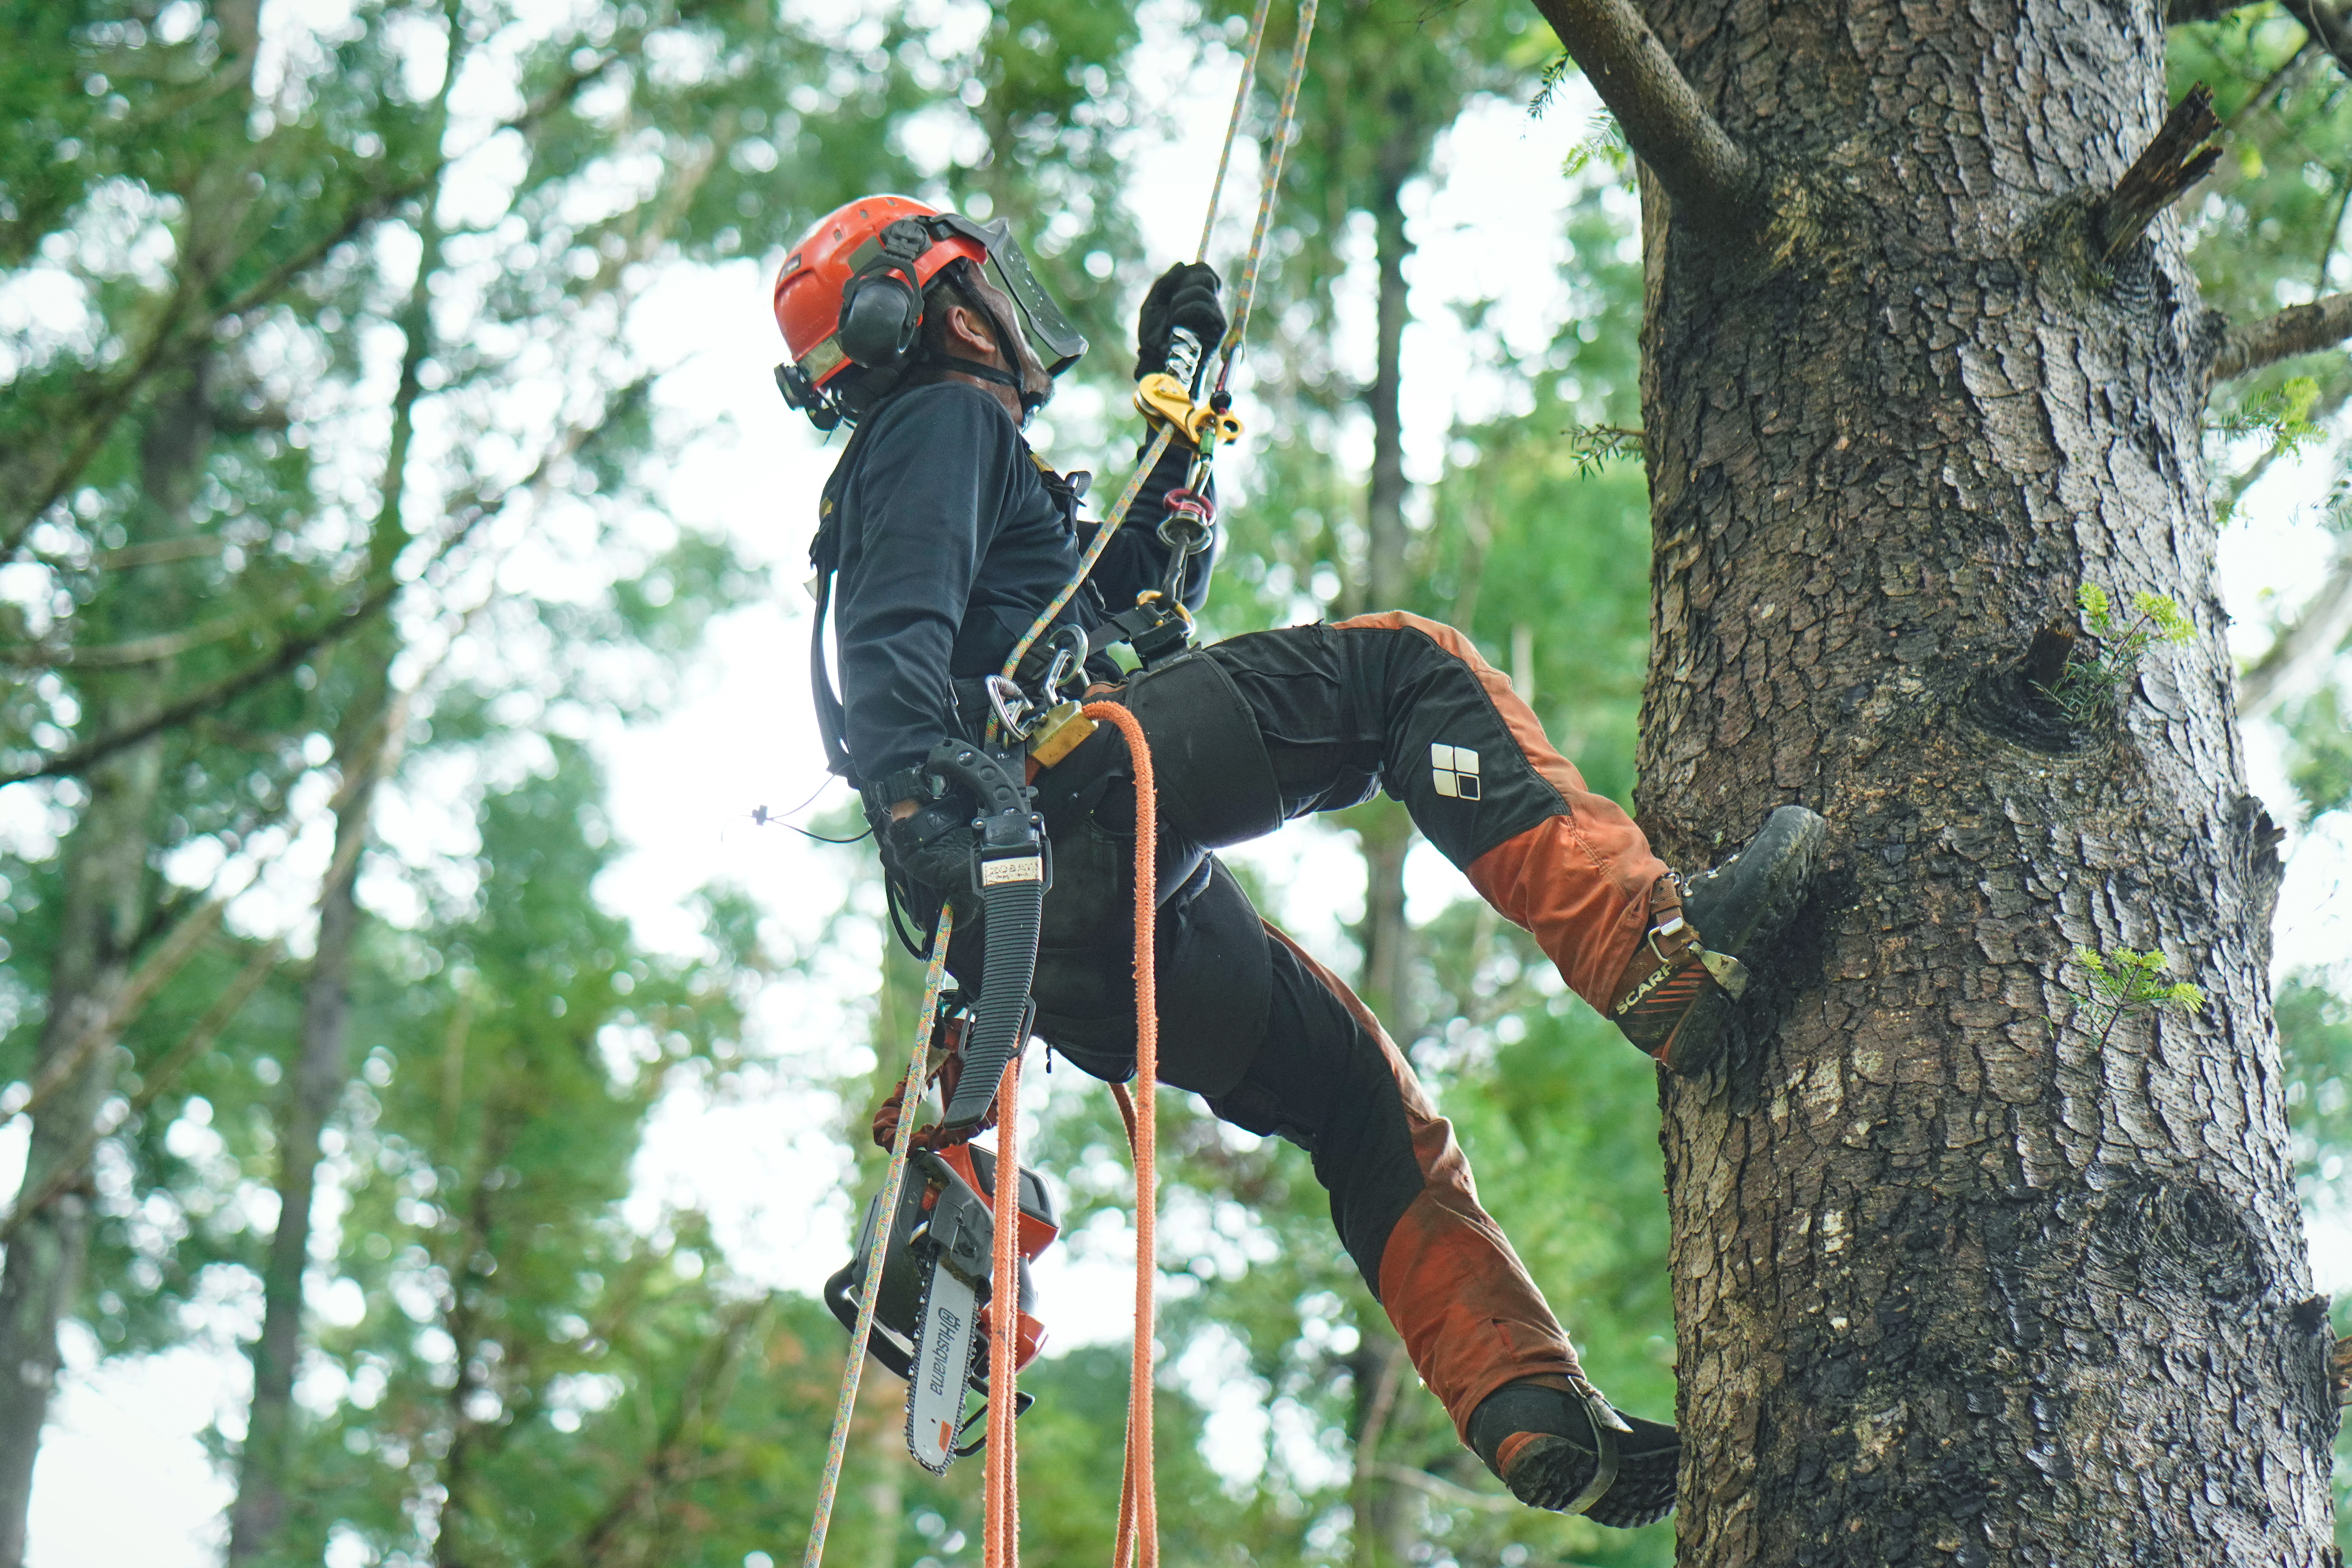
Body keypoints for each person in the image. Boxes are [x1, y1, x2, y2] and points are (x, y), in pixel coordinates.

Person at [773, 193, 1828, 1528]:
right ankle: (1650, 950)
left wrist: (1178, 444)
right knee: (1407, 672)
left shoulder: (967, 458)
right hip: (1057, 801)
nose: (1008, 309)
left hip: (1055, 922)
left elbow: (1120, 619)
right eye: (980, 286)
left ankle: (1526, 1403)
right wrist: (937, 798)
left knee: (1352, 1097)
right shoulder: (941, 420)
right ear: (925, 307)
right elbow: (892, 645)